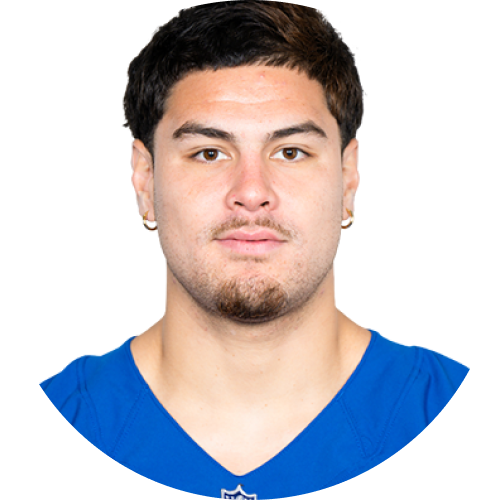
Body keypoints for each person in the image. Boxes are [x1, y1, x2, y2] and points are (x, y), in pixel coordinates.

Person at [39, 2, 469, 498]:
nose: (251, 191)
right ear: (144, 178)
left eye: (290, 152)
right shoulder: (69, 411)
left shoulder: (438, 401)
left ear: (349, 176)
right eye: (208, 153)